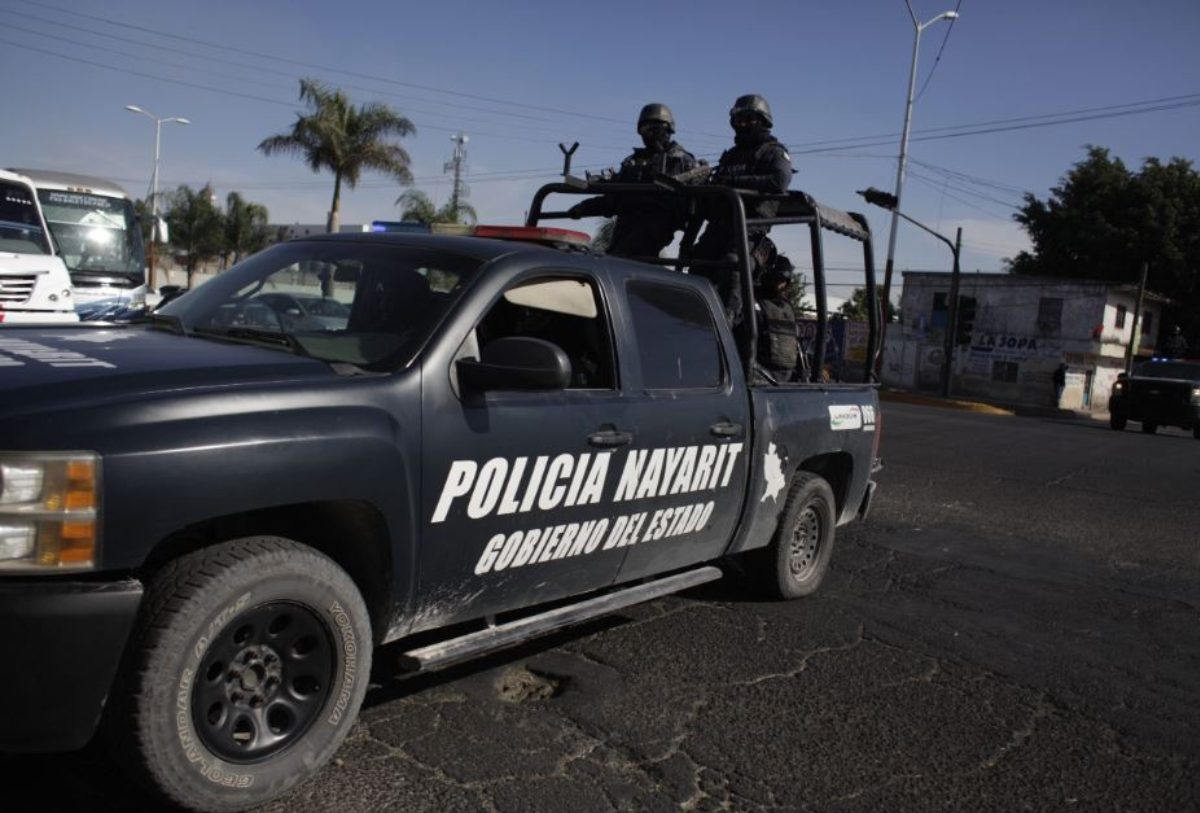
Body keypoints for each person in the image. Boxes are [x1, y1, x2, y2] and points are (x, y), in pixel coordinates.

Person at [690, 94, 794, 327]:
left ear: (763, 121)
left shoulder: (773, 152)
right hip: (719, 226)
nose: (742, 125)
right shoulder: (731, 155)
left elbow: (780, 180)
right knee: (697, 262)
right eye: (738, 121)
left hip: (749, 230)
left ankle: (727, 325)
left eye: (748, 120)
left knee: (733, 264)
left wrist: (734, 181)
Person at [566, 103, 698, 259]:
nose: (650, 134)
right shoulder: (632, 162)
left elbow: (691, 209)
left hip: (656, 227)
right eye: (645, 129)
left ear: (669, 129)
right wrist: (585, 207)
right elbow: (613, 199)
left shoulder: (682, 162)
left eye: (655, 128)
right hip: (625, 231)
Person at [755, 254, 800, 383]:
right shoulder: (753, 300)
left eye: (782, 280)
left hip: (786, 377)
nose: (779, 284)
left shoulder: (787, 306)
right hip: (760, 375)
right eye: (776, 279)